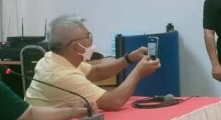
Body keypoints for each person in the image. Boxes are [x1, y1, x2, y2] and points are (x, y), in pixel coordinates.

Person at [25, 15, 160, 111]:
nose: (91, 40)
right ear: (75, 47)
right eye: (88, 36)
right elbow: (115, 101)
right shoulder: (62, 75)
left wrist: (129, 58)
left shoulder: (54, 58)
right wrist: (138, 72)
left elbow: (97, 72)